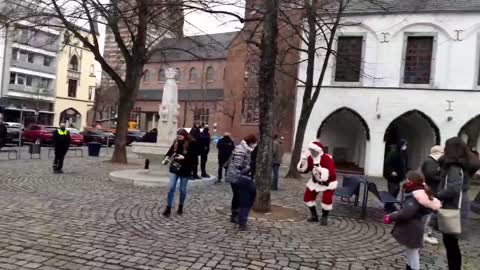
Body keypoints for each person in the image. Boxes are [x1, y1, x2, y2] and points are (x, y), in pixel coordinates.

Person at [437, 137, 480, 270]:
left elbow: (453, 189)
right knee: (452, 243)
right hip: (458, 205)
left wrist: (436, 195)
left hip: (454, 207)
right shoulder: (461, 165)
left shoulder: (454, 167)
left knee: (451, 243)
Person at [384, 171, 442, 270]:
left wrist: (391, 217)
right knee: (411, 252)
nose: (406, 181)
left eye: (407, 179)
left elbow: (407, 212)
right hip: (413, 227)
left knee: (413, 253)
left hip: (413, 229)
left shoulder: (415, 196)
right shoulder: (419, 193)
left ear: (412, 181)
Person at [297, 140, 337, 226]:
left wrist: (321, 171)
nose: (312, 152)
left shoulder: (326, 158)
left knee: (327, 199)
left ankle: (324, 217)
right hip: (315, 182)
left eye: (313, 150)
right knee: (308, 197)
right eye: (311, 150)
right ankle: (314, 216)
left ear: (318, 150)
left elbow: (331, 172)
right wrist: (302, 163)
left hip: (328, 183)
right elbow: (305, 170)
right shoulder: (310, 158)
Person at [225, 135, 257, 231]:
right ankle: (236, 215)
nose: (255, 145)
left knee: (238, 196)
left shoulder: (247, 149)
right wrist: (247, 168)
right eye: (254, 143)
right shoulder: (241, 149)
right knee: (238, 196)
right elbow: (237, 165)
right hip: (236, 176)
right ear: (250, 142)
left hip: (240, 177)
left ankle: (237, 215)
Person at [162, 129, 195, 217]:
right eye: (178, 135)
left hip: (185, 170)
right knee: (171, 187)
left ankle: (180, 206)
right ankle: (168, 208)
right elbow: (169, 152)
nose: (179, 137)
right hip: (175, 168)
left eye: (181, 136)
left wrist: (184, 157)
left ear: (185, 135)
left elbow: (193, 158)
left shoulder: (191, 143)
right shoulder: (176, 143)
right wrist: (166, 158)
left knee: (182, 190)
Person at [420, 145, 444, 245]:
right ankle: (425, 234)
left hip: (433, 191)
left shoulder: (434, 162)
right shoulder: (430, 162)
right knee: (430, 213)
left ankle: (427, 232)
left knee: (431, 213)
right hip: (431, 191)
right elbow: (430, 175)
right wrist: (443, 177)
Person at [383, 140, 409, 213]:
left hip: (398, 177)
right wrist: (391, 171)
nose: (405, 147)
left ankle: (389, 205)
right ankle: (389, 206)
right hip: (392, 177)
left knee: (396, 191)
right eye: (404, 145)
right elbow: (387, 163)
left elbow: (404, 163)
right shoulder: (392, 153)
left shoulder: (403, 153)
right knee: (393, 190)